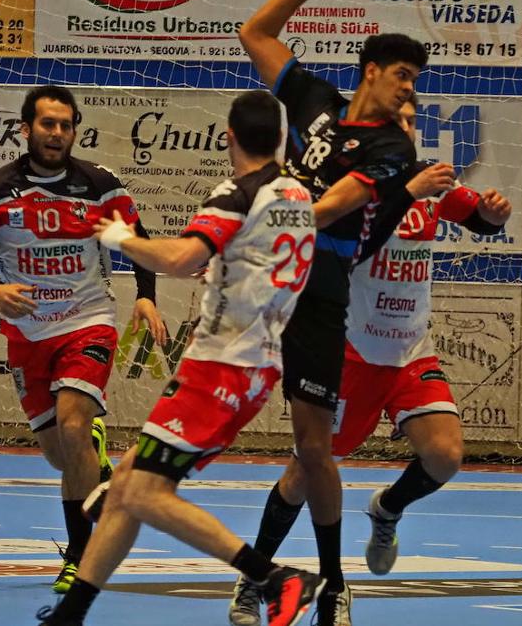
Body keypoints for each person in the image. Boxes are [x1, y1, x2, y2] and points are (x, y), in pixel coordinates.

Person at [35, 90, 324, 626]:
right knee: (123, 486)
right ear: (284, 139)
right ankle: (71, 615)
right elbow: (255, 262)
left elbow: (181, 256)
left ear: (229, 137)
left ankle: (274, 577)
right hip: (253, 366)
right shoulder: (298, 195)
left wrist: (124, 239)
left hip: (221, 369)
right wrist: (221, 270)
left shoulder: (238, 194)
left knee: (142, 493)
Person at [228, 99, 512, 624]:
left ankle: (387, 509)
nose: (403, 131)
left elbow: (478, 215)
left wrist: (492, 213)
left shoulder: (432, 186)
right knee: (304, 472)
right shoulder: (353, 190)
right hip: (352, 352)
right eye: (394, 123)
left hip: (408, 352)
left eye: (409, 123)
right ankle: (255, 578)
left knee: (446, 456)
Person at [236, 0, 455, 625]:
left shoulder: (391, 147)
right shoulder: (314, 102)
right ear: (371, 72)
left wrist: (265, 222)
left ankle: (327, 586)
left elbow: (335, 206)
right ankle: (263, 579)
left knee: (312, 454)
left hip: (321, 296)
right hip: (273, 290)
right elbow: (255, 32)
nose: (407, 90)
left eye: (414, 81)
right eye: (402, 77)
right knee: (281, 449)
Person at [0, 84, 167, 592]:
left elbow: (138, 241)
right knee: (60, 455)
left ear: (74, 131)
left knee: (72, 428)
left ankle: (79, 554)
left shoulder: (99, 185)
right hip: (28, 332)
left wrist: (146, 296)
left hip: (86, 321)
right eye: (47, 124)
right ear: (27, 129)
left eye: (65, 125)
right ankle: (93, 450)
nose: (57, 133)